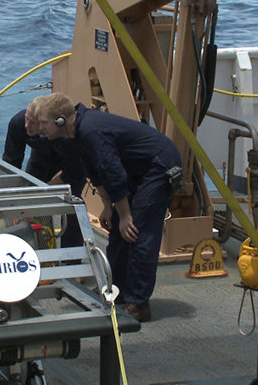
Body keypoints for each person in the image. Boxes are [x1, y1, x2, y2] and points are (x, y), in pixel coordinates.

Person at [36, 92, 182, 322]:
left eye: (44, 123)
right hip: (137, 168)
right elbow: (95, 172)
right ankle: (118, 291)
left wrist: (125, 215)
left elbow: (113, 173)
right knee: (118, 231)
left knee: (137, 232)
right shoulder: (78, 133)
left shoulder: (91, 131)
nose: (40, 128)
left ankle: (139, 303)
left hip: (159, 165)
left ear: (61, 120)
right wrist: (109, 208)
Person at [3, 96, 86, 249]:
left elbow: (74, 171)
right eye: (26, 119)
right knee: (32, 198)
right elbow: (10, 163)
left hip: (69, 160)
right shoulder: (18, 123)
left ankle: (72, 257)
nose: (27, 125)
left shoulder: (67, 136)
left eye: (32, 122)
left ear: (43, 123)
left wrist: (47, 188)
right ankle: (36, 246)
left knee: (72, 204)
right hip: (41, 157)